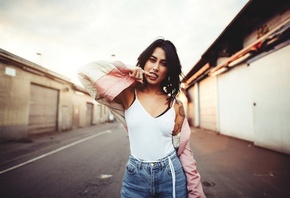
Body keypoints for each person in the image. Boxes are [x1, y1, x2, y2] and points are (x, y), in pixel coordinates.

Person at [78, 38, 205, 198]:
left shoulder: (175, 105)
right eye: (152, 60)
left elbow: (184, 151)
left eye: (163, 63)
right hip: (135, 177)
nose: (156, 68)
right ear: (144, 62)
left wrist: (196, 193)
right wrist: (125, 69)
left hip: (171, 174)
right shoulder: (128, 94)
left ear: (169, 69)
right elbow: (85, 72)